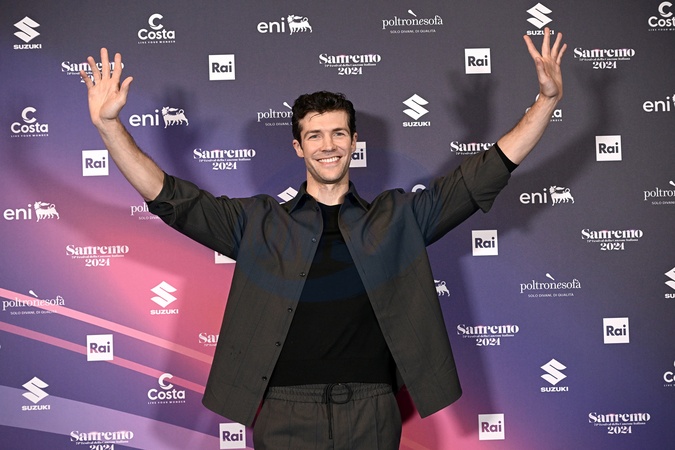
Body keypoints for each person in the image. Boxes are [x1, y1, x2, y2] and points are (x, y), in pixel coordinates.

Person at [81, 28, 566, 450]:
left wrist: (545, 101)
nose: (328, 145)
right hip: (284, 411)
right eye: (314, 135)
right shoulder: (258, 222)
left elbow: (480, 177)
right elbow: (173, 199)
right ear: (298, 147)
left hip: (373, 410)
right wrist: (109, 126)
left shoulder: (398, 218)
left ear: (354, 142)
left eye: (338, 133)